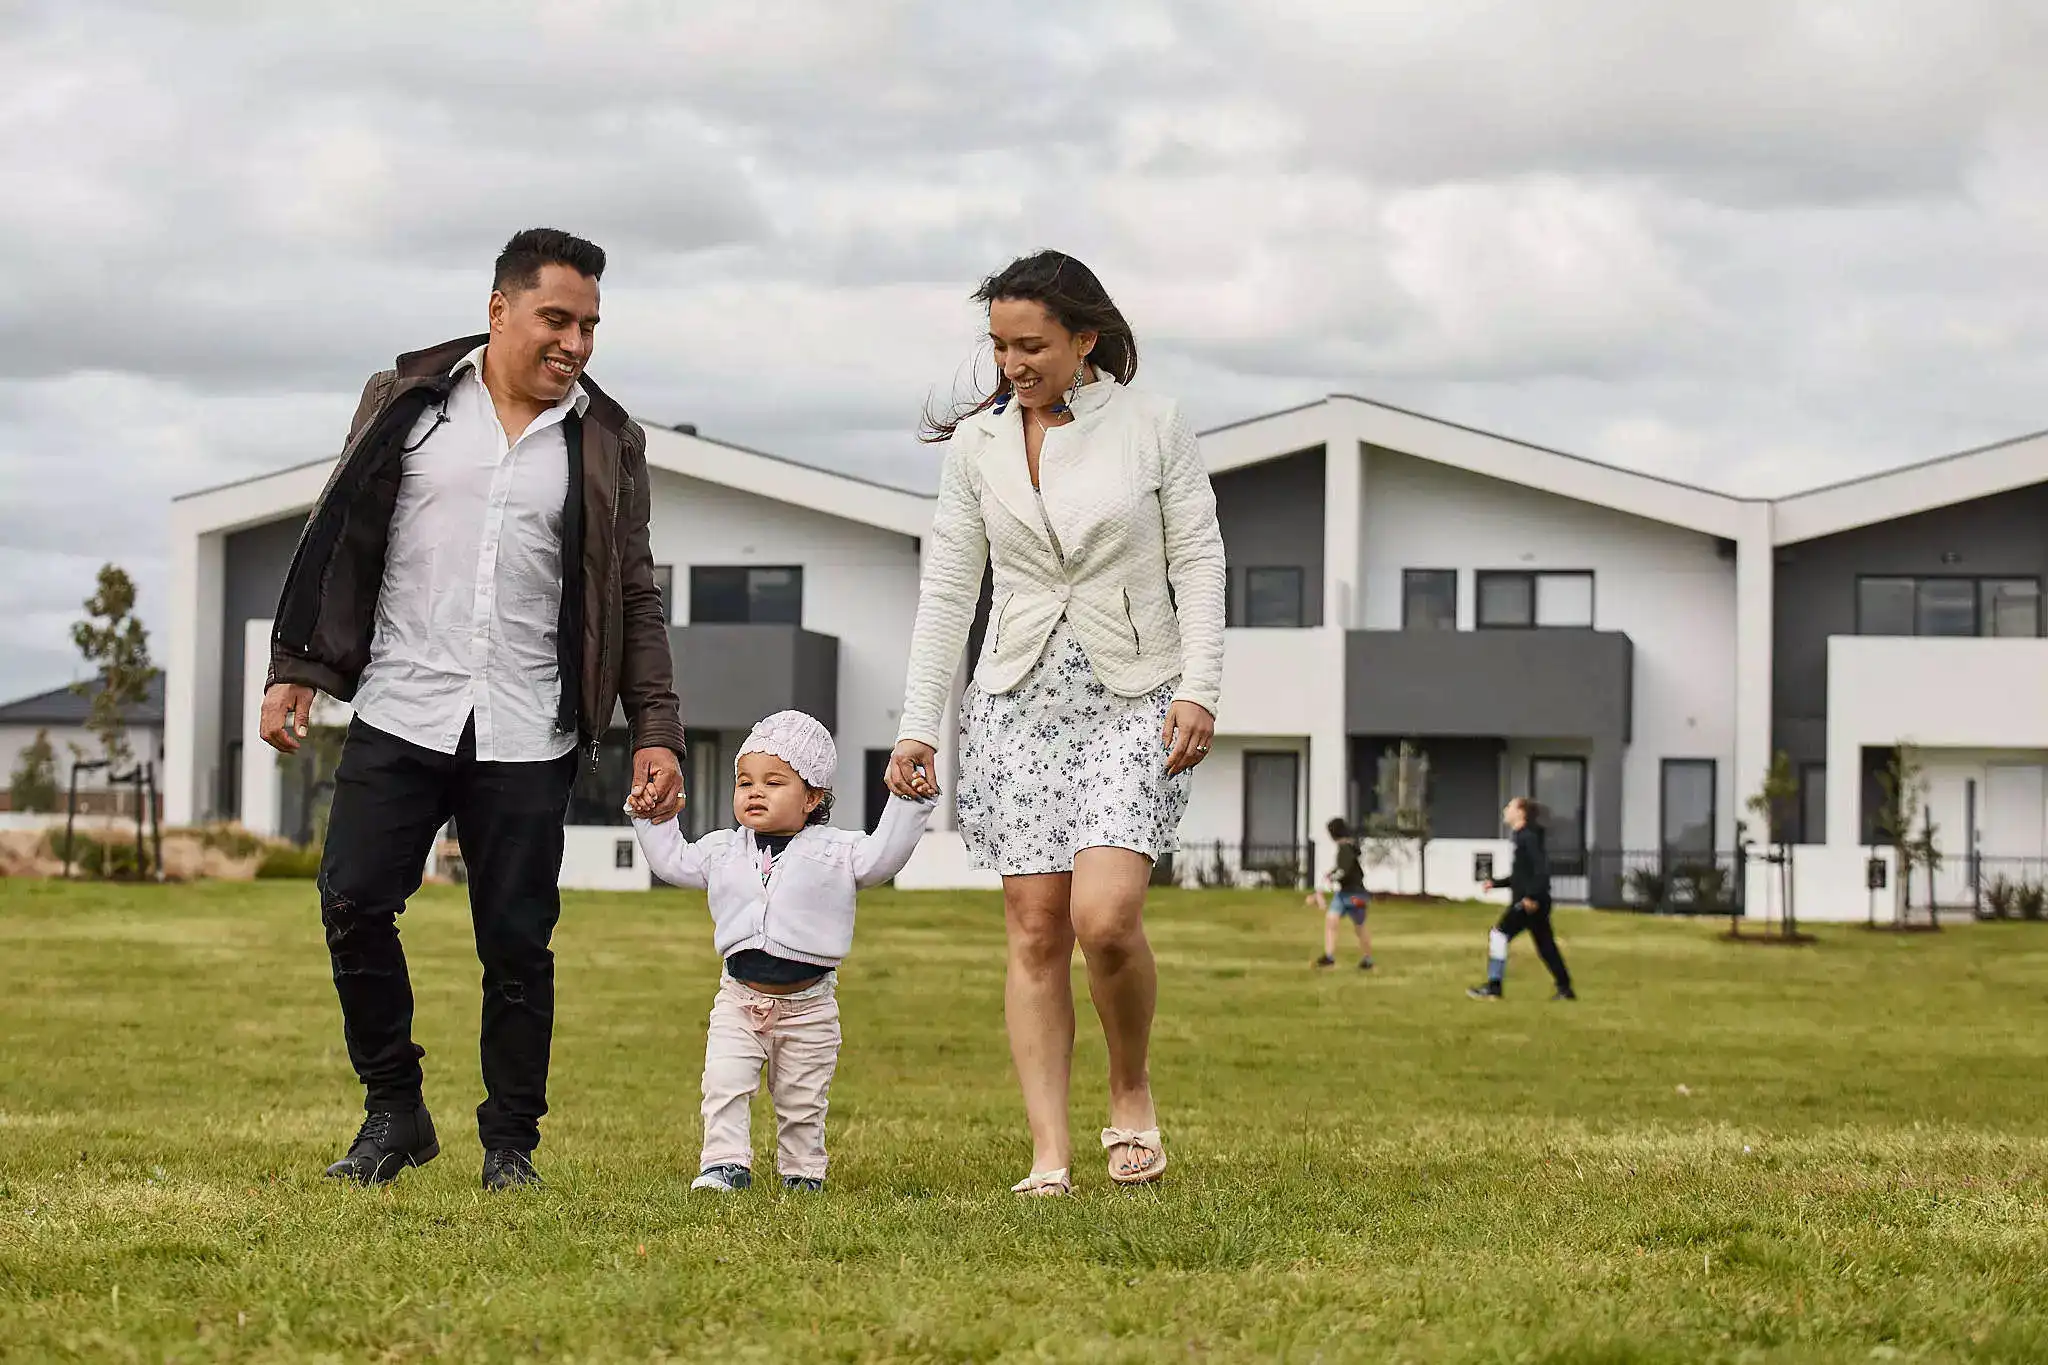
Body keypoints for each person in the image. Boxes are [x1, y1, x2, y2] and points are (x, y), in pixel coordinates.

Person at [259, 228, 685, 1190]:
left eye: (589, 325)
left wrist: (654, 727)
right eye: (556, 319)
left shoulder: (608, 438)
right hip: (403, 703)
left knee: (517, 940)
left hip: (529, 724)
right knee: (353, 900)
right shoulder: (407, 400)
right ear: (499, 310)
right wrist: (297, 663)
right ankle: (394, 1110)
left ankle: (510, 1146)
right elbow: (337, 529)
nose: (575, 342)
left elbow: (634, 592)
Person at [886, 251, 1226, 1196]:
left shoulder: (1154, 424)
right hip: (1016, 695)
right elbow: (950, 588)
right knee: (1036, 929)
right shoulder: (978, 446)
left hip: (1137, 688)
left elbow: (1198, 557)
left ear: (1085, 338)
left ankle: (1131, 1091)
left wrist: (1201, 684)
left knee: (1105, 920)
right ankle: (1049, 1156)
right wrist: (921, 727)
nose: (1012, 363)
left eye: (1031, 344)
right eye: (998, 345)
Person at [629, 711, 933, 1194]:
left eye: (774, 782)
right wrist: (652, 820)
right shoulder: (722, 849)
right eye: (744, 781)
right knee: (724, 1082)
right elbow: (672, 863)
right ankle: (725, 1163)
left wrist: (907, 804)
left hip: (809, 1007)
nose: (755, 792)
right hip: (739, 999)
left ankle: (802, 1170)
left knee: (802, 1097)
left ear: (813, 797)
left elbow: (883, 858)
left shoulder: (837, 851)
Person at [1468, 797, 1576, 1001]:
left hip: (1530, 903)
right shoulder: (1523, 837)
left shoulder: (1528, 837)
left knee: (1499, 935)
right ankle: (1565, 989)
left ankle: (1494, 986)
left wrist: (1531, 897)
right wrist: (1497, 883)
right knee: (1546, 946)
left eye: (1510, 806)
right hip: (1537, 901)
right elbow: (1522, 876)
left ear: (1520, 812)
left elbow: (1541, 871)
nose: (1505, 810)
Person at [1312, 817, 1374, 970]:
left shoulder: (1345, 848)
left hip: (1352, 895)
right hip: (1351, 894)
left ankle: (1333, 957)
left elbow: (1344, 871)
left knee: (1340, 924)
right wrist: (1332, 873)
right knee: (1351, 925)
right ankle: (1364, 959)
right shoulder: (1349, 846)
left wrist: (1331, 878)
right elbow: (1344, 867)